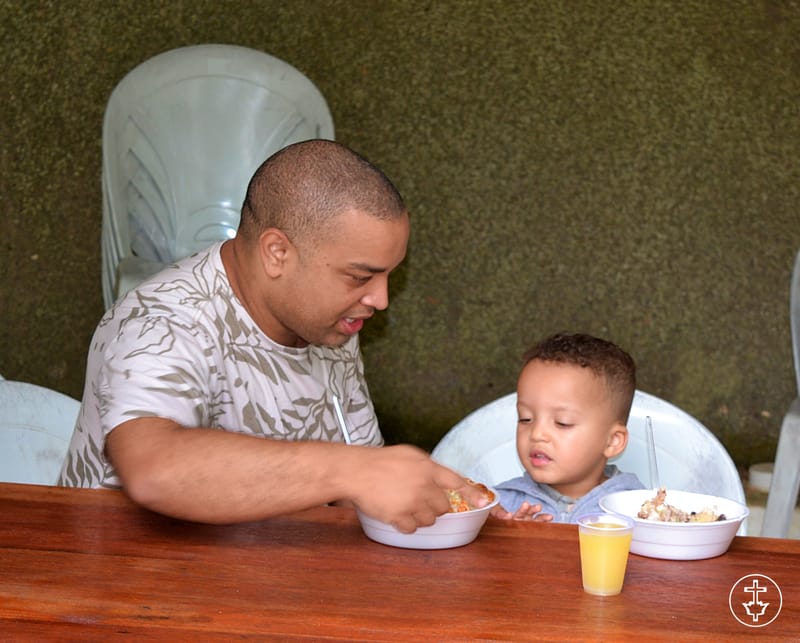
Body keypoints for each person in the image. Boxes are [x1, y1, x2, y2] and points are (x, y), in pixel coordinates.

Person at [58, 139, 484, 532]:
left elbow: (356, 487)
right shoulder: (160, 321)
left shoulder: (331, 320)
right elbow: (155, 470)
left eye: (389, 275)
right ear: (277, 253)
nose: (380, 299)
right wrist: (352, 470)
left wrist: (441, 505)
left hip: (263, 583)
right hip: (125, 593)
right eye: (360, 277)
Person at [491, 332, 645, 523]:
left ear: (613, 441)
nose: (537, 434)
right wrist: (510, 541)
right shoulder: (500, 506)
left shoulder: (637, 510)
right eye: (526, 419)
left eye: (562, 422)